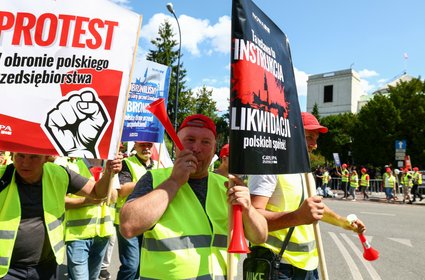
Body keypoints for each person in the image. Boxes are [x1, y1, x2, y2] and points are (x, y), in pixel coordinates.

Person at [119, 114, 268, 279]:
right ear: (176, 145)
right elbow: (128, 226)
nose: (197, 148)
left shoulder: (226, 185)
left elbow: (260, 236)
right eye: (190, 139)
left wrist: (248, 209)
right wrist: (174, 182)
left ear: (214, 151)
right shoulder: (155, 179)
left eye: (206, 142)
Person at [248, 112, 366, 279]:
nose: (314, 145)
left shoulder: (304, 171)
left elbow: (314, 208)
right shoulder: (269, 165)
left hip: (308, 267)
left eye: (316, 139)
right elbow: (251, 219)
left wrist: (343, 222)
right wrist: (297, 217)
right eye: (309, 137)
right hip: (278, 267)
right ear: (290, 134)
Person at [0, 153, 122, 280]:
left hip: (46, 268)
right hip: (7, 270)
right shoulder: (2, 176)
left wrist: (108, 172)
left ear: (46, 158)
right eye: (20, 156)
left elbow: (97, 192)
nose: (25, 163)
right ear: (13, 155)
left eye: (33, 157)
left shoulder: (59, 174)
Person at [63, 158, 118, 280]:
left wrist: (108, 178)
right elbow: (62, 202)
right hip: (78, 235)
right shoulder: (73, 168)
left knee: (93, 278)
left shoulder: (110, 167)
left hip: (102, 235)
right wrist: (86, 201)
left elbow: (114, 198)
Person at [115, 141, 157, 280]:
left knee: (142, 265)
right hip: (129, 222)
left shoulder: (158, 165)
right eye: (142, 145)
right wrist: (148, 180)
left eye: (149, 145)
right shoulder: (127, 163)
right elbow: (121, 190)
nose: (146, 148)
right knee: (131, 265)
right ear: (135, 146)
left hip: (150, 221)